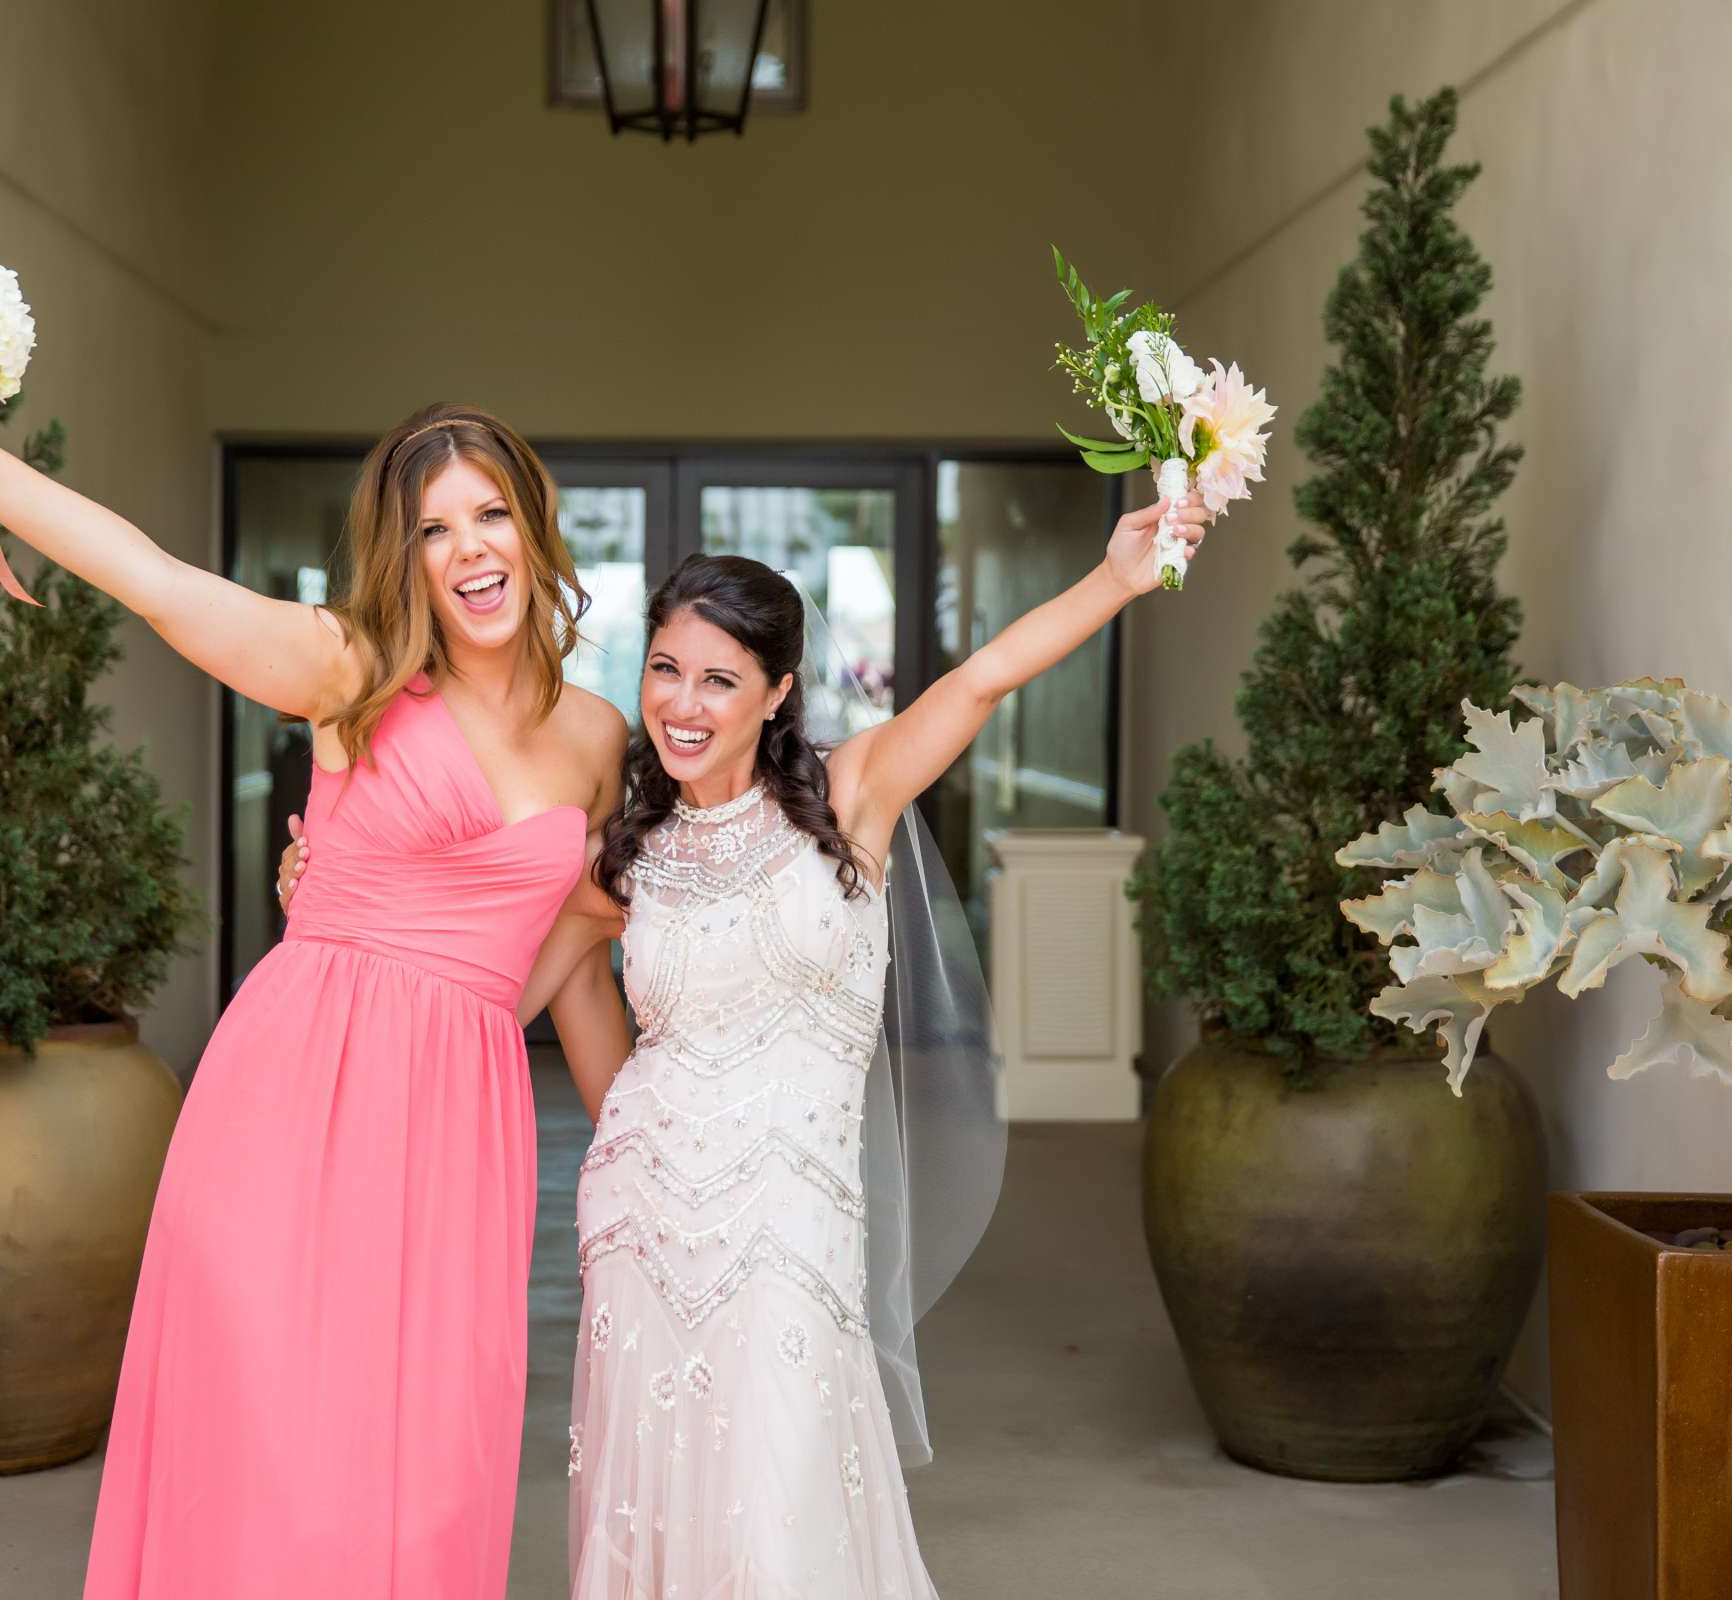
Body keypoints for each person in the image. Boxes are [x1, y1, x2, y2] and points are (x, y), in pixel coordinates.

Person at [0, 345, 625, 1598]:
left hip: (463, 1126)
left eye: (491, 513)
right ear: (403, 559)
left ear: (534, 523)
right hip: (296, 1100)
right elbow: (150, 578)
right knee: (282, 1464)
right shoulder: (349, 675)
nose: (470, 550)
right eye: (434, 529)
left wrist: (652, 1156)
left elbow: (561, 960)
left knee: (435, 1467)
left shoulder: (598, 738)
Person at [282, 496, 1206, 1596]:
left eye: (719, 680)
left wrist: (1114, 579)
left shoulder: (851, 798)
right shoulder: (621, 857)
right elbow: (474, 986)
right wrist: (326, 887)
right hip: (643, 1230)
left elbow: (982, 680)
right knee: (656, 1516)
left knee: (780, 1513)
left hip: (793, 1233)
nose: (682, 703)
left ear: (775, 695)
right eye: (665, 668)